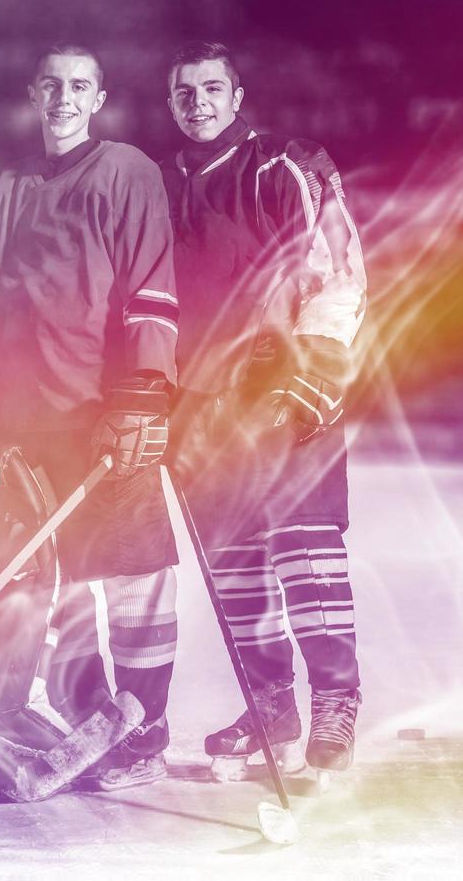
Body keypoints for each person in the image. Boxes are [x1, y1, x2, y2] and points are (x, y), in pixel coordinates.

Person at [0, 43, 181, 790]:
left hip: (102, 414)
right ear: (32, 92)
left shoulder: (124, 170)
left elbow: (149, 283)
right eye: (49, 83)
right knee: (59, 586)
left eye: (77, 85)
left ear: (97, 97)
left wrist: (143, 391)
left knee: (135, 573)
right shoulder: (12, 183)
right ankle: (91, 726)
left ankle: (144, 732)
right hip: (26, 424)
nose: (62, 95)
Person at [161, 41, 367, 781]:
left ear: (236, 96)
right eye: (183, 92)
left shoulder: (282, 163)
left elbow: (334, 269)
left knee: (304, 548)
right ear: (170, 101)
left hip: (281, 386)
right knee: (233, 562)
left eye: (211, 88)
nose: (198, 103)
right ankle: (270, 700)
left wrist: (314, 367)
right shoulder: (163, 180)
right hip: (205, 405)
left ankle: (334, 697)